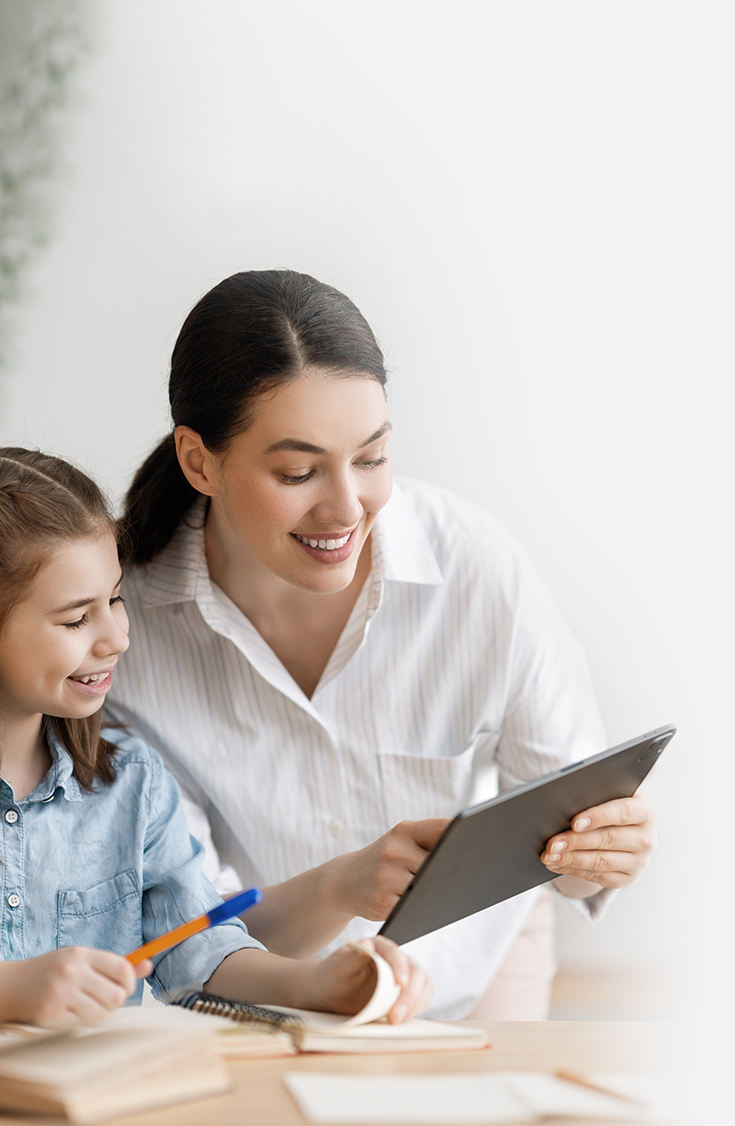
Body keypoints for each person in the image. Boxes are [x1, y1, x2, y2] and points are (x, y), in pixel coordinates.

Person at [111, 271, 658, 1020]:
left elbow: (571, 843)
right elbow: (191, 928)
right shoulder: (121, 628)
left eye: (371, 458)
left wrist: (601, 857)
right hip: (258, 997)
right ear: (199, 461)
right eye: (298, 471)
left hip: (472, 975)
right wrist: (339, 887)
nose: (345, 506)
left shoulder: (475, 568)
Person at [0, 447, 433, 1028]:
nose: (117, 637)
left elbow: (199, 954)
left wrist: (320, 984)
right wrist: (11, 990)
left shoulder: (132, 780)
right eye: (76, 618)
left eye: (113, 599)